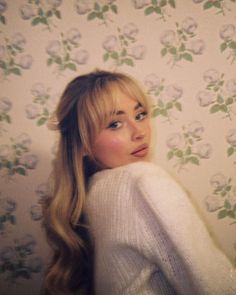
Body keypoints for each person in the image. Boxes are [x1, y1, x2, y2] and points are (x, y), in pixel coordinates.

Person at [43, 69, 236, 295]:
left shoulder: (92, 193)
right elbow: (214, 284)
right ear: (83, 144)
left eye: (140, 115)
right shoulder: (142, 182)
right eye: (115, 124)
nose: (139, 132)